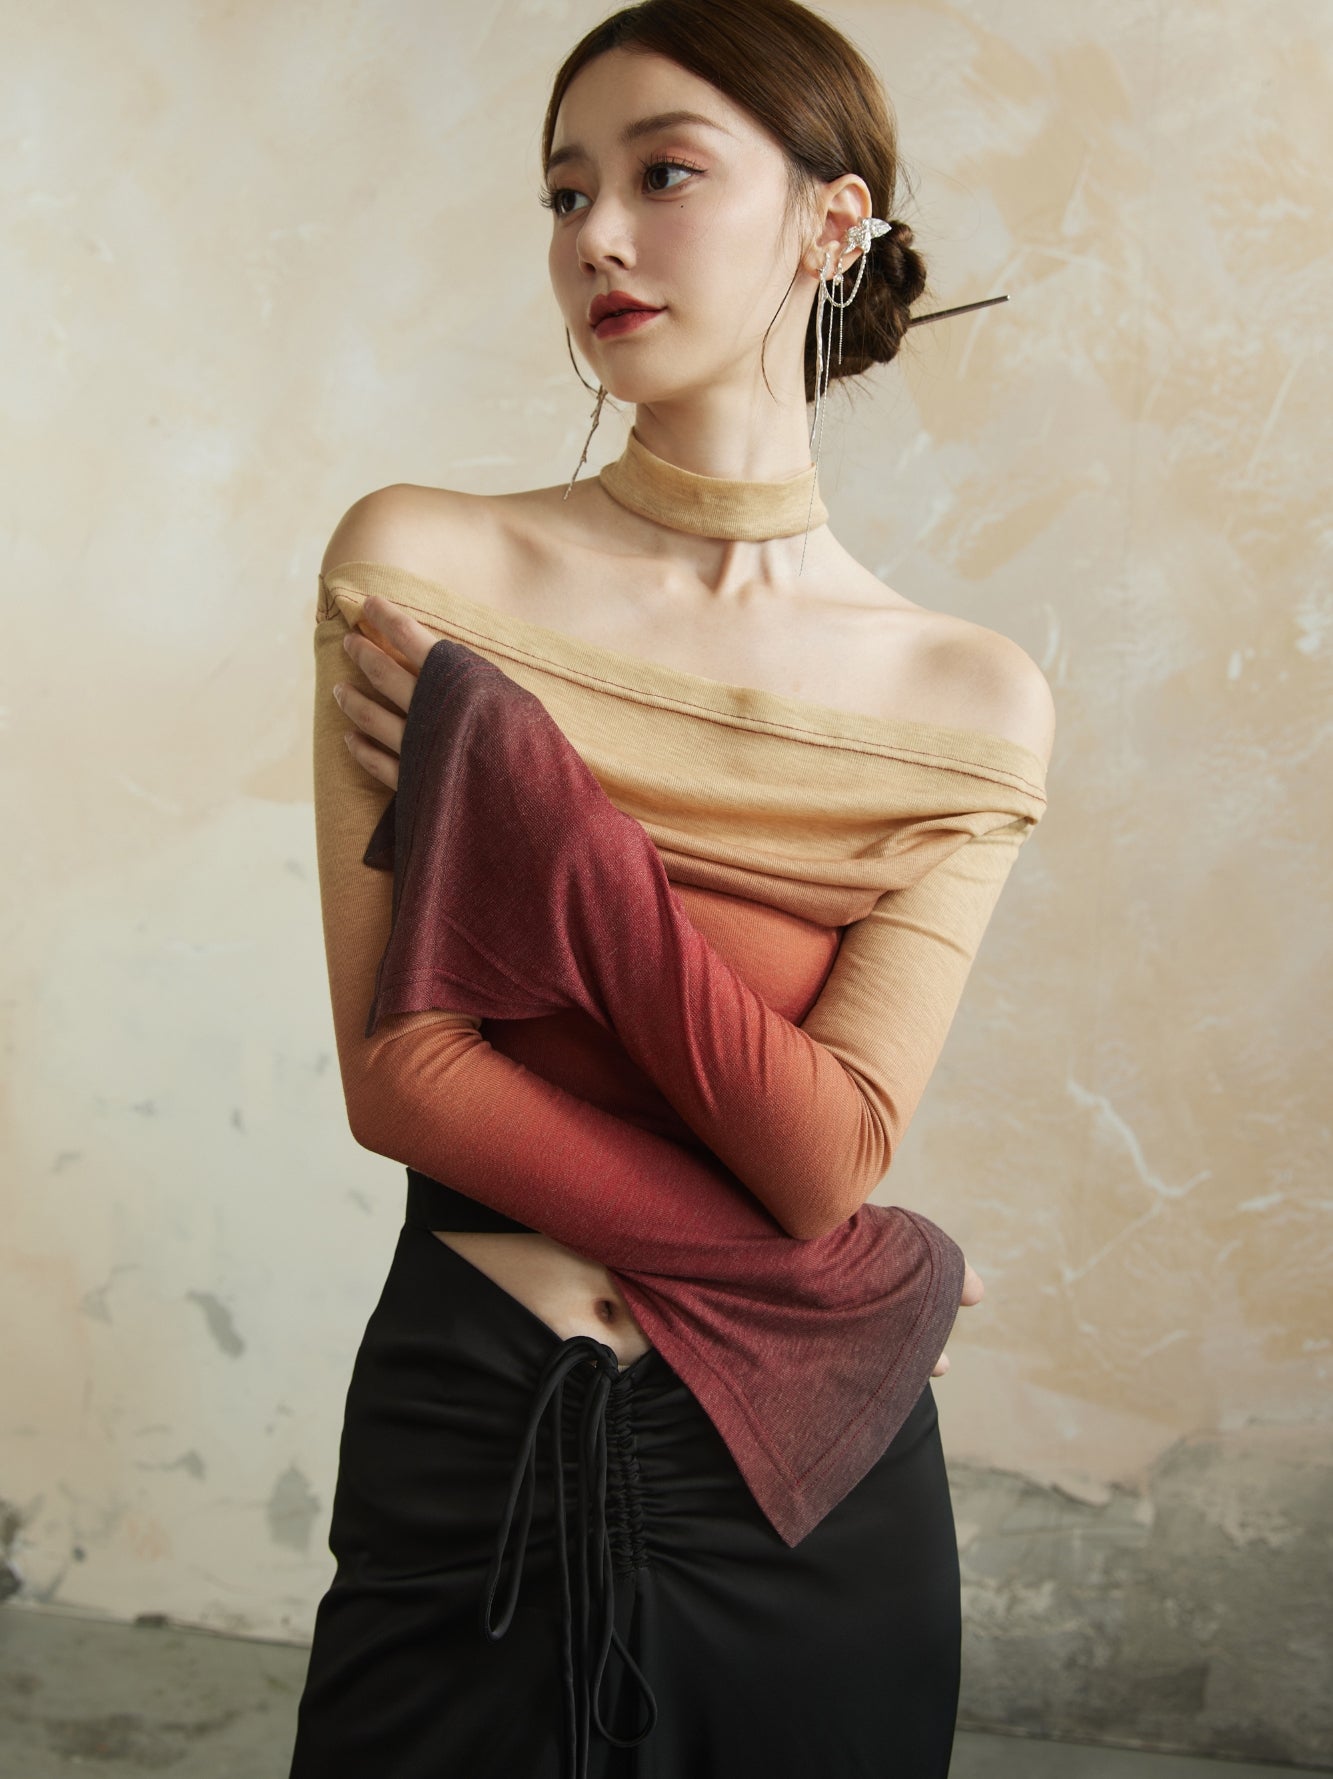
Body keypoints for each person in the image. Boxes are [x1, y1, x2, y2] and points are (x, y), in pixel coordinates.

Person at [288, 2, 1055, 1775]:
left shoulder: (967, 698)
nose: (597, 237)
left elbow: (823, 1152)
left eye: (665, 174)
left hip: (809, 1494)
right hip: (481, 1429)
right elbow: (405, 1079)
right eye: (566, 194)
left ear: (831, 222)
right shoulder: (423, 566)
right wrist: (846, 1286)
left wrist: (552, 834)